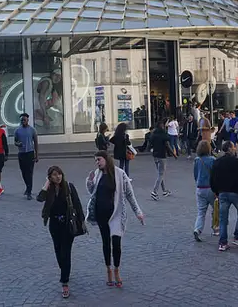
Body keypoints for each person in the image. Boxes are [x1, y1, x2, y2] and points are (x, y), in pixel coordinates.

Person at [86, 151, 144, 288]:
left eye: (99, 160)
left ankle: (117, 270)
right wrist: (89, 181)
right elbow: (92, 192)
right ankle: (108, 270)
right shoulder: (98, 174)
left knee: (116, 243)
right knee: (106, 243)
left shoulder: (119, 174)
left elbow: (130, 194)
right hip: (101, 214)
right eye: (95, 160)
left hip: (116, 214)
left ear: (106, 159)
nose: (97, 162)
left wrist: (138, 212)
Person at [37, 166, 85, 299]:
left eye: (59, 174)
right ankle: (65, 270)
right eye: (54, 175)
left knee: (66, 252)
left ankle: (64, 282)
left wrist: (82, 221)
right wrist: (46, 185)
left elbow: (77, 204)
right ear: (50, 177)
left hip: (67, 224)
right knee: (58, 251)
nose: (58, 177)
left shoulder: (69, 187)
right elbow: (39, 198)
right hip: (54, 225)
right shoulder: (49, 190)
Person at [210, 141, 238, 252]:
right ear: (229, 149)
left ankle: (223, 243)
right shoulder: (236, 162)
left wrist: (215, 190)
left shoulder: (217, 162)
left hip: (223, 193)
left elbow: (213, 177)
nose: (235, 149)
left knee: (223, 218)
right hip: (235, 192)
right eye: (234, 147)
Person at [193, 140, 217, 241]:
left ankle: (197, 229)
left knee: (201, 212)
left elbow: (195, 174)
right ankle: (216, 228)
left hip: (200, 188)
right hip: (210, 188)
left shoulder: (197, 160)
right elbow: (216, 174)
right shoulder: (212, 160)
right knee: (215, 209)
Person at [149, 120, 176, 201]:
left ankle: (164, 190)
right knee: (161, 174)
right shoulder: (163, 135)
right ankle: (154, 191)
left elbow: (150, 144)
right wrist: (173, 154)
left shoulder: (153, 134)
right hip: (161, 155)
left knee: (160, 173)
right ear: (162, 126)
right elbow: (167, 145)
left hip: (155, 155)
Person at [14, 113, 38, 200]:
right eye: (21, 120)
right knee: (23, 172)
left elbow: (35, 142)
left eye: (24, 120)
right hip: (21, 154)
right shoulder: (17, 130)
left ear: (28, 120)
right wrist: (18, 144)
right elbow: (15, 141)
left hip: (30, 153)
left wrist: (37, 155)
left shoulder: (32, 130)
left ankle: (29, 191)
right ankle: (27, 186)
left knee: (30, 172)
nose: (23, 121)